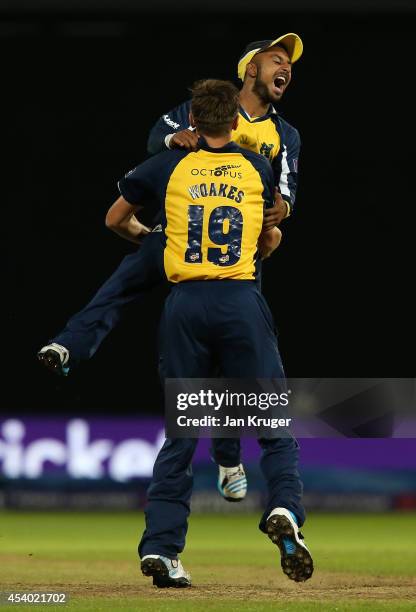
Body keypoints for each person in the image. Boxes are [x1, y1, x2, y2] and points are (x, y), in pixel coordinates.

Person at [38, 33, 304, 500]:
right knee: (125, 281)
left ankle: (226, 457)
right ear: (250, 68)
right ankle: (69, 346)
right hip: (179, 235)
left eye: (288, 64)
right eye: (276, 60)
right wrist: (170, 138)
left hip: (233, 258)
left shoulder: (285, 135)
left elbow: (286, 194)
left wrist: (280, 212)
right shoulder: (211, 106)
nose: (286, 69)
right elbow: (156, 137)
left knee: (229, 361)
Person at [110, 78, 313, 587]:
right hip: (239, 300)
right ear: (234, 122)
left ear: (193, 122)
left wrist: (158, 239)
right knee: (272, 422)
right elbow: (267, 239)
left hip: (184, 304)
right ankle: (285, 509)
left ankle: (161, 548)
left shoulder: (169, 165)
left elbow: (116, 218)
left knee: (180, 434)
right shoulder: (257, 166)